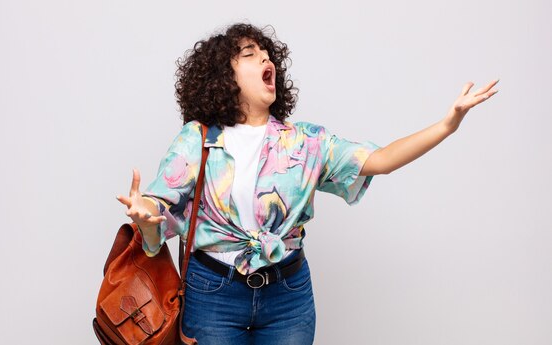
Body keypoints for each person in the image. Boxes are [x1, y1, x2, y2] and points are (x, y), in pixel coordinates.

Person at [116, 23, 498, 344]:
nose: (266, 59)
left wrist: (447, 125)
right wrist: (145, 212)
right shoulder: (197, 138)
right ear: (223, 76)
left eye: (268, 54)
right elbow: (158, 204)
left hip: (288, 295)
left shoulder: (305, 142)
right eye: (250, 53)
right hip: (214, 291)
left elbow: (379, 160)